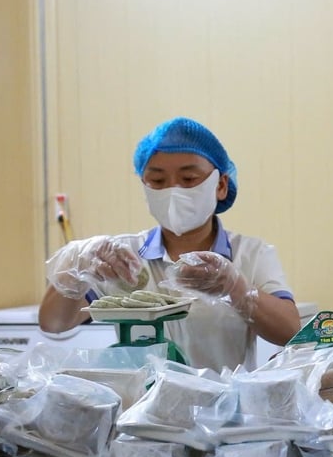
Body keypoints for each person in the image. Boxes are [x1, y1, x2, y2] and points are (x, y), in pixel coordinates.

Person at [39, 117, 303, 370]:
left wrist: (236, 288)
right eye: (158, 181)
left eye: (188, 179)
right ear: (145, 186)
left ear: (221, 185)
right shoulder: (124, 258)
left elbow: (290, 332)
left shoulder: (252, 254)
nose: (173, 190)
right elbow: (53, 323)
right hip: (144, 400)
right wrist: (78, 263)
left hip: (225, 400)